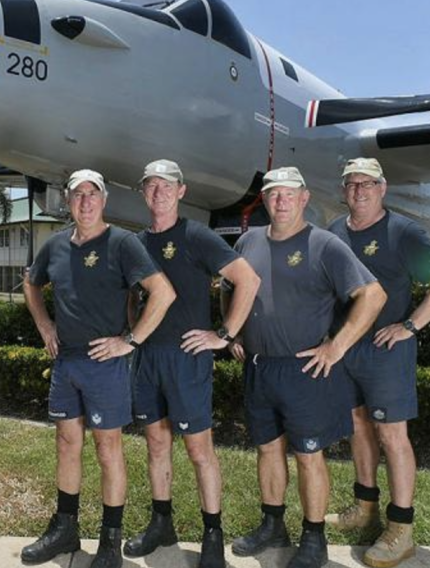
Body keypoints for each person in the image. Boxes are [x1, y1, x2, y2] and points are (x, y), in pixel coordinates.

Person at [226, 167, 386, 568]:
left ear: (304, 198)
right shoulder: (247, 241)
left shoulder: (325, 244)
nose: (280, 201)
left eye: (288, 194)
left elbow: (372, 294)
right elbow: (231, 288)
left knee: (309, 455)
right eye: (272, 194)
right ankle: (273, 525)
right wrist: (234, 333)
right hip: (261, 370)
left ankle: (313, 537)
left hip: (306, 370)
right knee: (267, 450)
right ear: (263, 200)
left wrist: (337, 346)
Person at [21, 169, 175, 568]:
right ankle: (65, 529)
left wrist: (131, 341)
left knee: (109, 450)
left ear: (104, 200)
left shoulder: (122, 243)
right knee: (67, 444)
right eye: (77, 195)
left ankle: (110, 540)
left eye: (93, 194)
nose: (85, 202)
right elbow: (31, 283)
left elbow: (163, 293)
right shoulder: (54, 246)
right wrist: (44, 325)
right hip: (66, 361)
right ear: (67, 201)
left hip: (105, 364)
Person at [324, 158, 430, 568]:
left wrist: (411, 325)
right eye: (352, 184)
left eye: (368, 183)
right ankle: (365, 506)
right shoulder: (335, 231)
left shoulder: (401, 231)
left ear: (383, 188)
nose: (359, 191)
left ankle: (401, 527)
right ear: (344, 190)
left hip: (386, 349)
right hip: (346, 346)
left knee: (391, 435)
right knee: (357, 426)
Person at [124, 159, 261, 568]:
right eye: (151, 186)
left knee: (200, 451)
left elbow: (248, 280)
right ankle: (161, 522)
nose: (159, 192)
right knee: (156, 444)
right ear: (143, 192)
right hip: (148, 359)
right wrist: (133, 333)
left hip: (188, 359)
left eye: (167, 186)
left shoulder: (197, 236)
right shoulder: (135, 243)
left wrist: (224, 334)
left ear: (181, 192)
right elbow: (130, 293)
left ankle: (212, 534)